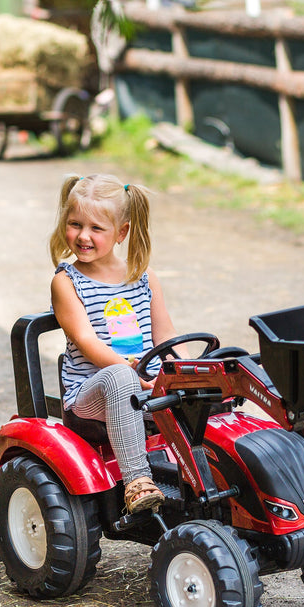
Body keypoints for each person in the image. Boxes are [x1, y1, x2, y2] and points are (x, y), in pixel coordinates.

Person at [49, 173, 180, 513]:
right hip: (90, 395)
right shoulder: (66, 282)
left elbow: (165, 337)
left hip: (143, 386)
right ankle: (137, 481)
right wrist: (134, 377)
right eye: (75, 224)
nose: (82, 236)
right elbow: (87, 341)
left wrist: (186, 369)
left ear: (121, 233)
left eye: (96, 228)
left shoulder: (144, 277)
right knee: (121, 379)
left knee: (209, 376)